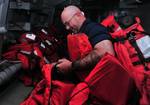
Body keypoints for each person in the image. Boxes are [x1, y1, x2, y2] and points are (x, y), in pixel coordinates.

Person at [56, 5, 115, 74]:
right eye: (65, 25)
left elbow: (106, 53)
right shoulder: (81, 32)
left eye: (68, 23)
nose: (67, 28)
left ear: (78, 15)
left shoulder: (94, 28)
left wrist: (71, 66)